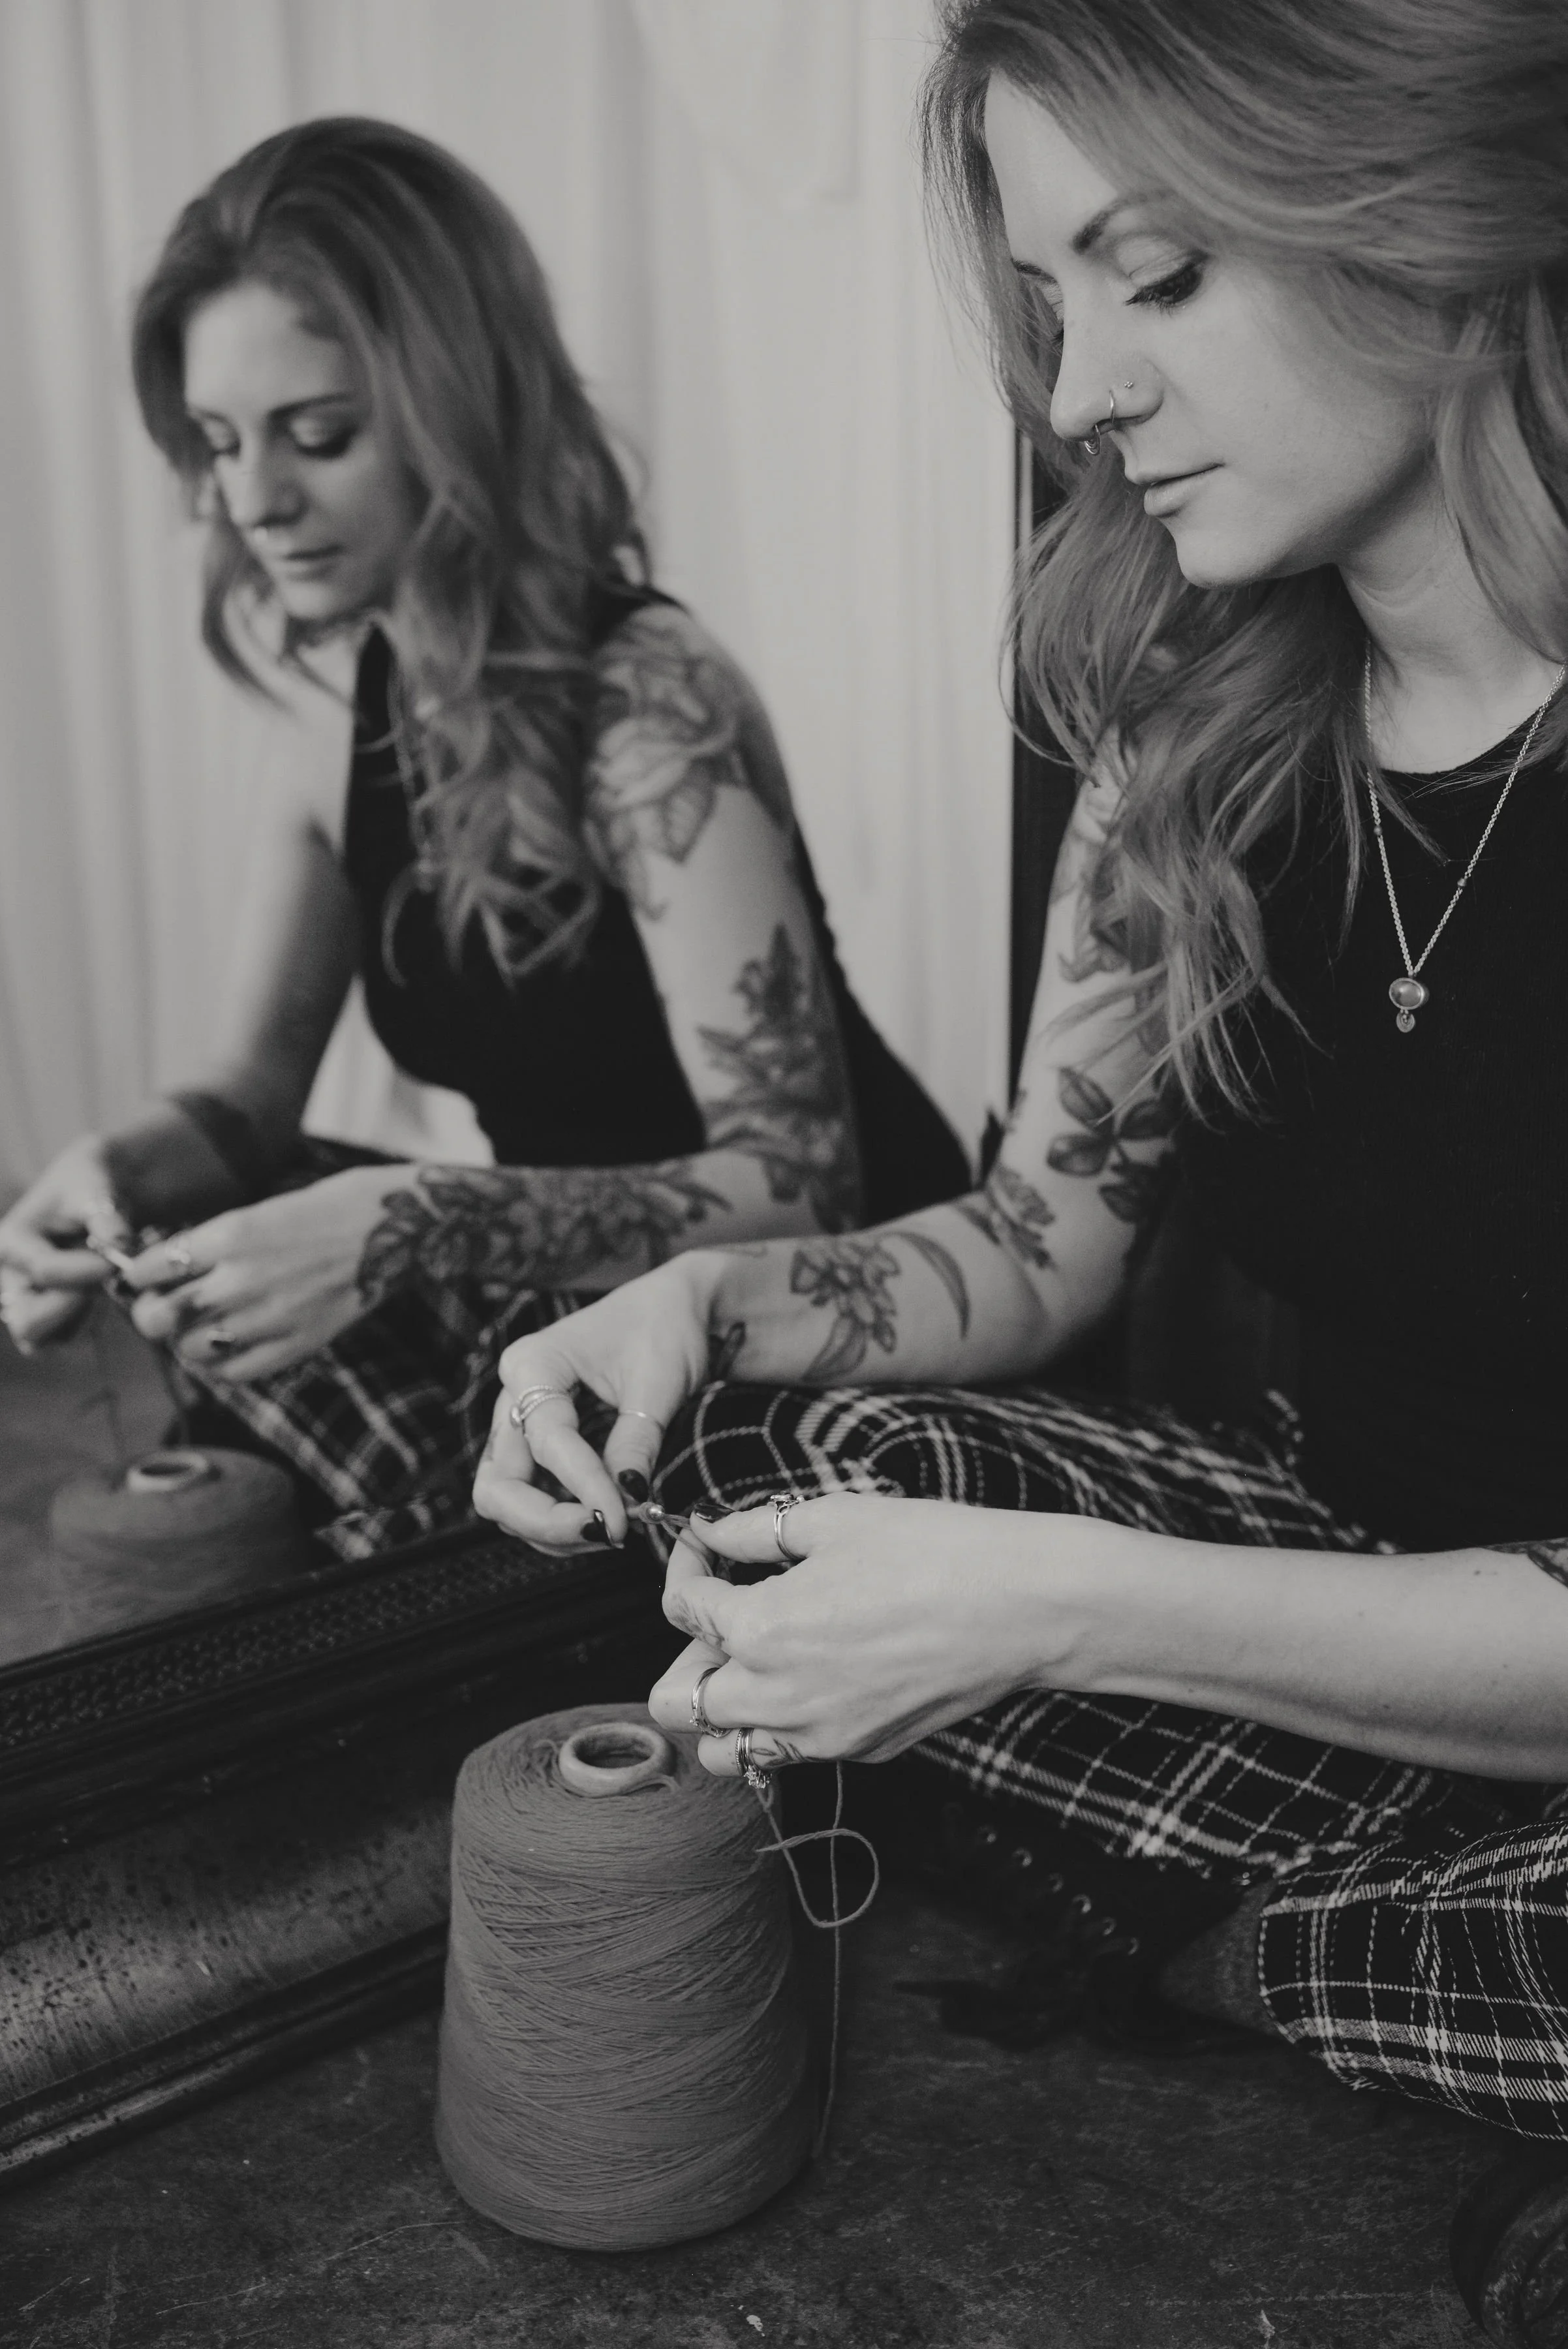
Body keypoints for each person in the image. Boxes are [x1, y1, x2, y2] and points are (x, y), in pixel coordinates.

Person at [471, 0, 1568, 2189]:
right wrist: (711, 1305)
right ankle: (1377, 1947)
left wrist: (1039, 1608)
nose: (1083, 393)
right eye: (1050, 303)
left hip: (1390, 1661)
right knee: (807, 1470)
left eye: (1156, 277)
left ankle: (1255, 1944)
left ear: (1441, 207)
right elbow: (1030, 1244)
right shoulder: (1190, 753)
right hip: (1323, 1577)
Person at [0, 118, 966, 1557]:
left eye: (318, 436)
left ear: (457, 405)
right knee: (235, 1247)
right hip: (556, 1281)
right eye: (219, 445)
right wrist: (115, 1173)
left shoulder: (647, 699)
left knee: (494, 1443)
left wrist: (410, 1220)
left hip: (803, 1295)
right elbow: (253, 1096)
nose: (253, 502)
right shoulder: (338, 702)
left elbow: (798, 1182)